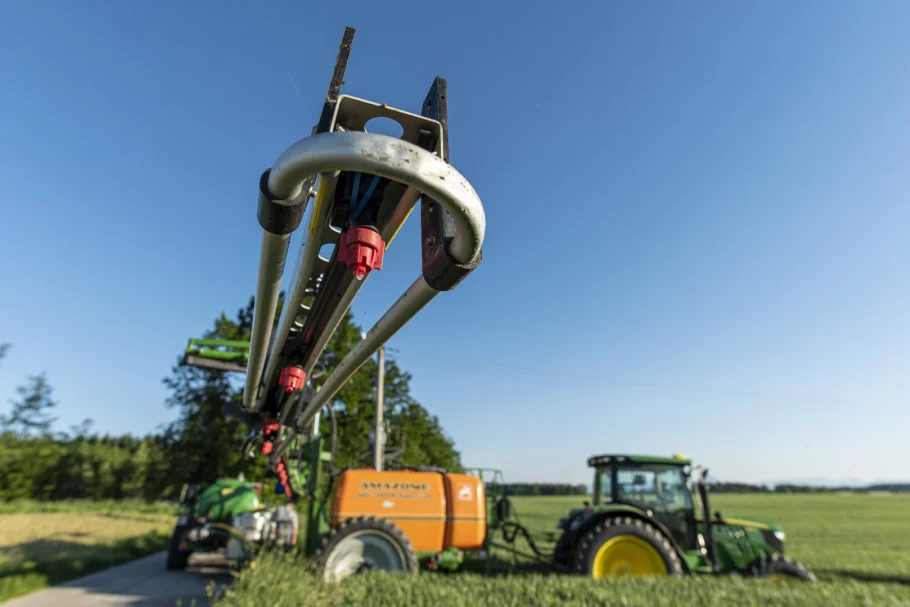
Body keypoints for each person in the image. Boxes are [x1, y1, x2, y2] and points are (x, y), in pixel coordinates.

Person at [273, 483, 299, 549]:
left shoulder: (279, 509)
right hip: (288, 538)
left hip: (278, 536)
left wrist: (273, 534)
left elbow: (274, 522)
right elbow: (295, 528)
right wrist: (294, 539)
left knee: (278, 550)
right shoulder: (293, 513)